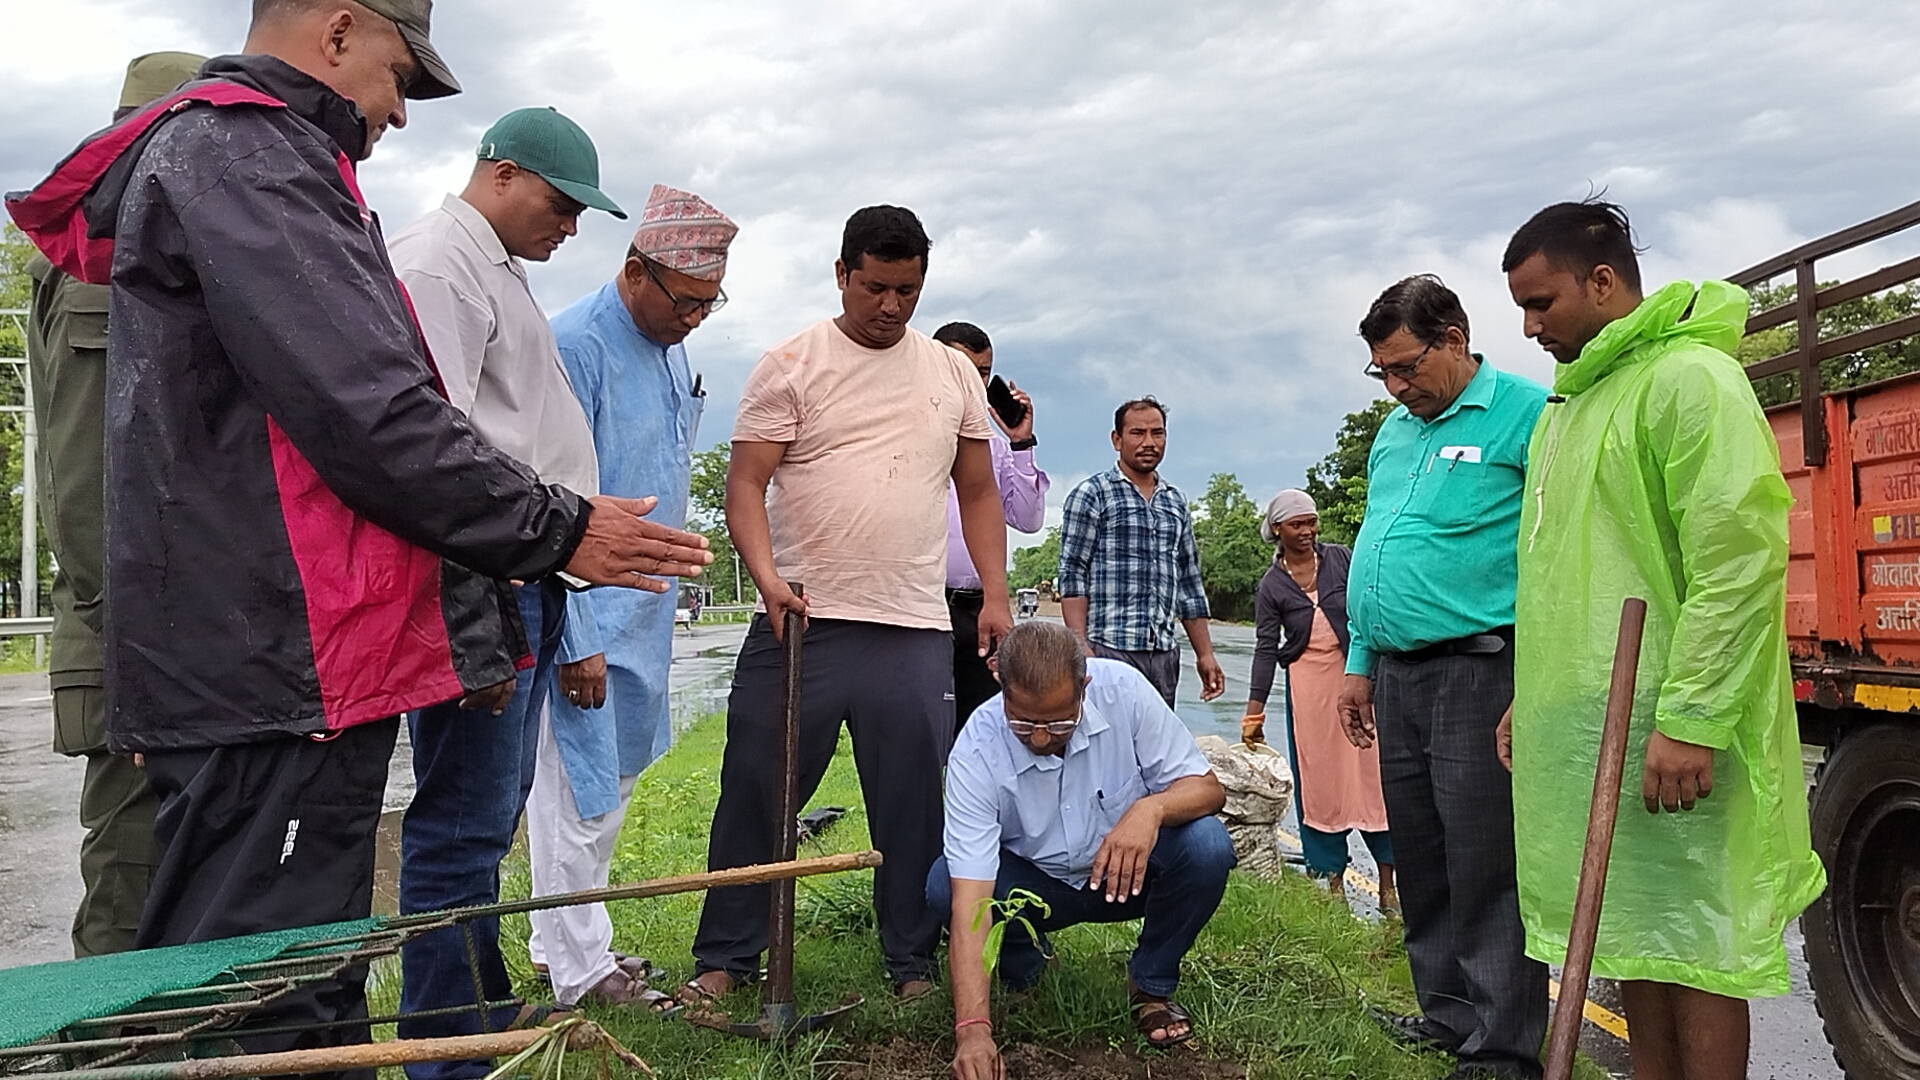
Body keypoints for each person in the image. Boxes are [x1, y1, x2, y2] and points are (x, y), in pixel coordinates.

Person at [4, 0, 709, 1067]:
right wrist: (559, 529)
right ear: (337, 31)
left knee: (300, 975)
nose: (398, 111)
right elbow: (376, 416)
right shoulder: (246, 154)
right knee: (254, 996)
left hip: (287, 658)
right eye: (395, 72)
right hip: (270, 662)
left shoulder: (263, 161)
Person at [1500, 201, 1825, 1080]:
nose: (1529, 328)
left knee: (1699, 946)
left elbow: (1739, 557)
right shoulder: (1570, 408)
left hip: (1671, 718)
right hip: (1597, 719)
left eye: (1542, 303)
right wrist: (1534, 694)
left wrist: (1691, 718)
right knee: (1635, 933)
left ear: (1602, 282)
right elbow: (1569, 578)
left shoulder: (1690, 381)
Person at [685, 205, 1012, 1004]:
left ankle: (910, 963)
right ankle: (727, 958)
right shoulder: (791, 364)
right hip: (799, 621)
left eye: (907, 290)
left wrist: (997, 593)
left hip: (910, 626)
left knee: (911, 803)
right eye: (875, 288)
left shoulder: (951, 372)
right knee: (758, 790)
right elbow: (745, 488)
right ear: (842, 275)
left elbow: (977, 489)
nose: (891, 307)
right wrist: (766, 579)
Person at [386, 105, 626, 1061]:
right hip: (481, 580)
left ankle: (475, 1007)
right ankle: (444, 1045)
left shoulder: (498, 269)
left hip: (528, 572)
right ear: (503, 169)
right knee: (457, 824)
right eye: (562, 205)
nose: (569, 228)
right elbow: (430, 449)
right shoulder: (438, 262)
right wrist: (474, 610)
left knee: (488, 818)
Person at [525, 184, 738, 1009]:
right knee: (576, 792)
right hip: (586, 609)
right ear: (635, 270)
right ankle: (583, 973)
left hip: (646, 611)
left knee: (607, 790)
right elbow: (553, 496)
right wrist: (576, 633)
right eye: (684, 301)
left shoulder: (673, 347)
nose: (694, 319)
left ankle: (561, 946)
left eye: (709, 306)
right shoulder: (575, 345)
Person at [1333, 275, 1549, 1080]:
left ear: (1454, 339)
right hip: (1398, 673)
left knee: (1485, 859)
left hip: (1481, 669)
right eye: (1381, 373)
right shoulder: (1394, 433)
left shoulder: (1527, 415)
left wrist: (1538, 679)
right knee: (1420, 849)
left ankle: (1503, 1046)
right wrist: (1360, 662)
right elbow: (1377, 545)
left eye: (1405, 367)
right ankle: (1447, 1014)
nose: (1395, 387)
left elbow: (1555, 554)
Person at [24, 50, 206, 958]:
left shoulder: (137, 253)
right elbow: (88, 499)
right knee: (131, 896)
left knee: (176, 892)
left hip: (159, 644)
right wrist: (147, 669)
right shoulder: (103, 267)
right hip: (138, 645)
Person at [933, 621, 1234, 1078]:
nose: (1039, 738)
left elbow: (1209, 791)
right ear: (1001, 684)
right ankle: (1025, 964)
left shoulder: (1126, 693)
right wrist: (972, 1030)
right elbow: (971, 900)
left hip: (1121, 879)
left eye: (1057, 722)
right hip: (1035, 889)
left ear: (1084, 686)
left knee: (1207, 845)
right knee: (942, 884)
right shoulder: (976, 749)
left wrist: (1150, 810)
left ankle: (1150, 986)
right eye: (1024, 722)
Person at [1242, 490, 1395, 912]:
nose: (1308, 531)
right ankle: (1333, 889)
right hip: (1308, 688)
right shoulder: (1272, 585)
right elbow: (1266, 648)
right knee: (1321, 784)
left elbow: (1369, 600)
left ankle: (1388, 888)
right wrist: (1254, 709)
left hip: (1357, 678)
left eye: (1312, 522)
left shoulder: (1341, 558)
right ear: (1278, 530)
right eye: (1297, 524)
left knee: (1374, 779)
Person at [1057, 397, 1225, 709]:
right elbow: (1072, 573)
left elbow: (1189, 582)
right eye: (1138, 433)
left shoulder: (1175, 502)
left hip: (1162, 655)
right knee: (1104, 745)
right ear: (1116, 439)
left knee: (1156, 752)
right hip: (1107, 648)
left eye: (1157, 433)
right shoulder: (1092, 495)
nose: (1149, 442)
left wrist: (1205, 655)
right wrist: (1079, 647)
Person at [931, 320, 1049, 728]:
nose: (974, 381)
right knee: (922, 727)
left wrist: (1020, 443)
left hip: (979, 608)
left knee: (980, 723)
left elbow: (1030, 519)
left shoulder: (995, 450)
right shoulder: (904, 436)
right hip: (923, 603)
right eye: (962, 367)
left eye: (983, 371)